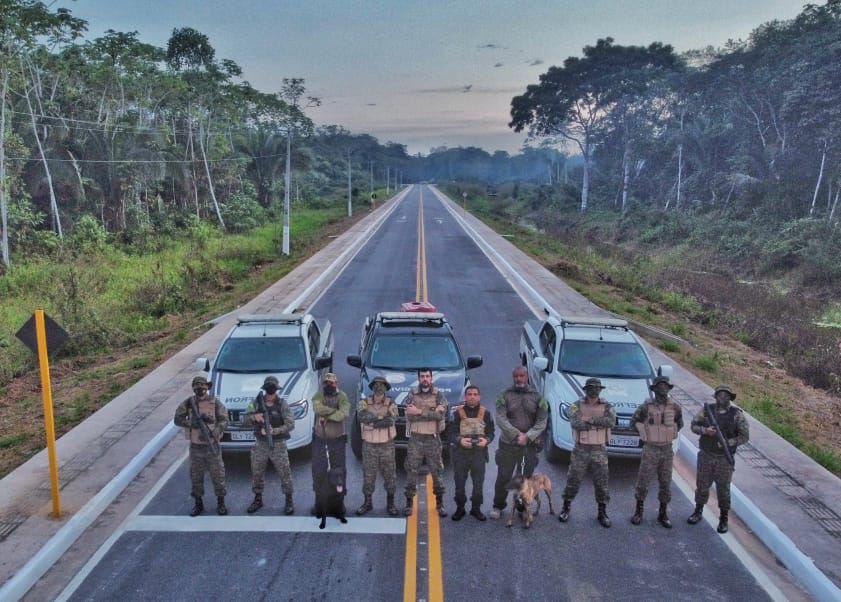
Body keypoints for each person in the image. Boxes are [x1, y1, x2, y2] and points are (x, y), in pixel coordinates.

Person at [687, 384, 750, 534]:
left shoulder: (737, 415)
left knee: (723, 490)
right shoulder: (707, 411)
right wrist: (705, 431)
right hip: (706, 455)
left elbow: (744, 436)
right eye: (720, 395)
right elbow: (694, 426)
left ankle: (723, 518)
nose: (723, 398)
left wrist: (730, 442)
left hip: (723, 459)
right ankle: (698, 511)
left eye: (726, 395)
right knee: (702, 485)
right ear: (715, 397)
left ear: (730, 397)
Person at [489, 366, 548, 520]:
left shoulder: (537, 397)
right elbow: (500, 418)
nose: (519, 379)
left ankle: (522, 508)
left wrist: (528, 436)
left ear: (527, 377)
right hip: (508, 444)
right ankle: (498, 506)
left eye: (522, 376)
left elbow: (542, 420)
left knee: (524, 478)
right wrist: (516, 435)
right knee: (504, 476)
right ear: (513, 377)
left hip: (529, 446)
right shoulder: (504, 395)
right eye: (516, 376)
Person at [558, 377, 616, 528]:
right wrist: (597, 421)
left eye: (596, 388)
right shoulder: (576, 405)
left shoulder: (607, 406)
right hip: (581, 449)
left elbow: (611, 422)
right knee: (573, 479)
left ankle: (602, 512)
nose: (593, 391)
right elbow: (576, 423)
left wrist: (589, 420)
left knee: (602, 482)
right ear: (586, 390)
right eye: (591, 388)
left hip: (599, 449)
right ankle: (566, 507)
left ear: (600, 390)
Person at [630, 375, 684, 528]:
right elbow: (634, 422)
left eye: (665, 385)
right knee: (643, 481)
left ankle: (663, 513)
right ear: (654, 389)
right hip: (650, 449)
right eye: (659, 385)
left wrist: (667, 434)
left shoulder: (675, 407)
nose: (662, 388)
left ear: (668, 388)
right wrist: (645, 434)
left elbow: (679, 423)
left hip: (666, 450)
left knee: (665, 483)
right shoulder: (646, 406)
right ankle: (638, 511)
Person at [173, 375, 228, 516]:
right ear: (193, 389)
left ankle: (221, 503)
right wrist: (192, 423)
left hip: (212, 446)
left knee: (218, 476)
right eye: (197, 388)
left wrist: (216, 431)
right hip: (196, 447)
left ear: (207, 388)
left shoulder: (215, 403)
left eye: (203, 388)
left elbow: (224, 419)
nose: (201, 390)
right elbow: (177, 419)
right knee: (196, 477)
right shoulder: (188, 403)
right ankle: (198, 504)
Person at [243, 375, 295, 515]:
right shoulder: (256, 403)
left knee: (285, 472)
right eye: (269, 389)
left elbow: (290, 424)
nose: (271, 391)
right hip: (260, 443)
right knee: (257, 472)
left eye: (273, 389)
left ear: (276, 389)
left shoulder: (282, 404)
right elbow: (245, 419)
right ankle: (258, 498)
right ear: (265, 389)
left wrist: (274, 431)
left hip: (278, 443)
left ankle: (289, 500)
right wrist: (255, 417)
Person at [403, 367, 449, 517]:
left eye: (427, 376)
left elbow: (439, 416)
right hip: (416, 437)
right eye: (422, 376)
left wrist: (420, 411)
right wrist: (430, 412)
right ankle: (409, 503)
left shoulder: (439, 395)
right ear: (418, 378)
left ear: (431, 378)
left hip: (433, 438)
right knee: (411, 470)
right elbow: (410, 415)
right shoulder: (412, 394)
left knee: (437, 471)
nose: (425, 379)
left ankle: (440, 504)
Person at [356, 375, 399, 516]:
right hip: (369, 445)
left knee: (390, 475)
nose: (378, 386)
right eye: (376, 384)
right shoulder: (364, 402)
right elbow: (361, 417)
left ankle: (390, 503)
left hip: (387, 445)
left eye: (382, 384)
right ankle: (367, 502)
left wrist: (373, 421)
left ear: (386, 387)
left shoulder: (391, 403)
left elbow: (391, 420)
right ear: (372, 386)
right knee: (368, 475)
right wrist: (380, 418)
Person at [450, 385, 495, 521]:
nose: (472, 397)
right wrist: (459, 440)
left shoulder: (485, 413)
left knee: (478, 484)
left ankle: (476, 509)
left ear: (479, 396)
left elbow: (491, 432)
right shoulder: (457, 413)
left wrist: (486, 441)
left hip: (479, 454)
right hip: (461, 454)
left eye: (475, 394)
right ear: (465, 397)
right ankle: (460, 508)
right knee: (459, 485)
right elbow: (450, 433)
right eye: (469, 394)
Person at [310, 372, 350, 514]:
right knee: (319, 473)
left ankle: (339, 505)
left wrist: (327, 416)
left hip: (338, 442)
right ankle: (319, 504)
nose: (328, 385)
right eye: (326, 383)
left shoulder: (343, 397)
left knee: (339, 473)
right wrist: (334, 411)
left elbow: (343, 414)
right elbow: (317, 408)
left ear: (336, 384)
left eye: (331, 383)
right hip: (321, 441)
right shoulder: (318, 395)